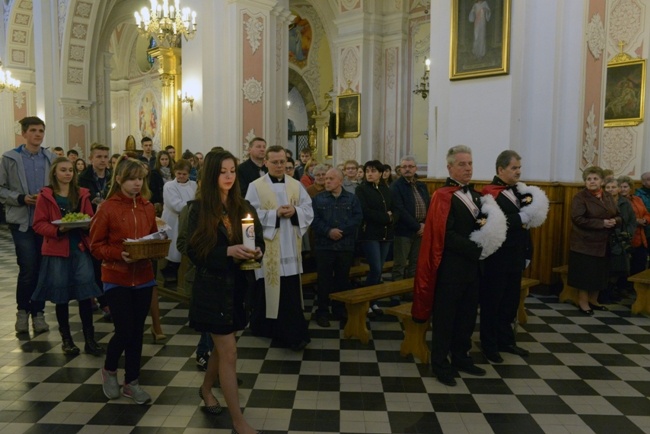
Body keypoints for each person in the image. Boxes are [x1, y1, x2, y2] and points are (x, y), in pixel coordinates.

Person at [412, 145, 507, 386]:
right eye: (462, 164)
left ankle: (461, 357)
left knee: (466, 317)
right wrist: (476, 248)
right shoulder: (443, 196)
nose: (467, 168)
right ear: (450, 167)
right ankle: (440, 363)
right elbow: (445, 234)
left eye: (470, 164)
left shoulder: (476, 197)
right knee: (445, 318)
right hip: (451, 269)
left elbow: (482, 225)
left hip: (474, 269)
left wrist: (489, 238)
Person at [184, 150, 264, 433]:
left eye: (232, 171)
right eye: (222, 172)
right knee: (229, 353)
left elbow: (259, 240)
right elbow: (193, 251)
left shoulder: (244, 207)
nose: (229, 176)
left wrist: (255, 252)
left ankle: (206, 389)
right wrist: (228, 251)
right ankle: (238, 420)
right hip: (213, 289)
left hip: (238, 289)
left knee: (222, 348)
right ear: (210, 175)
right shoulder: (198, 209)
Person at [90, 157, 158, 404]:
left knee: (137, 332)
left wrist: (155, 246)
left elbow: (151, 238)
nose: (137, 183)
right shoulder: (107, 208)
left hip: (143, 278)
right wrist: (120, 255)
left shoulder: (147, 206)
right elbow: (95, 246)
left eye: (140, 178)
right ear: (118, 179)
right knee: (125, 330)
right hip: (116, 278)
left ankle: (132, 382)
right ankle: (109, 370)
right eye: (131, 178)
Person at [480, 151, 549, 363]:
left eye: (519, 167)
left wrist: (528, 252)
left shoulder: (519, 191)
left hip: (516, 254)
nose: (518, 171)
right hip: (498, 256)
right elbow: (495, 222)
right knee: (493, 302)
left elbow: (527, 225)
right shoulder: (490, 194)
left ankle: (506, 341)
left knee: (510, 302)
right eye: (514, 168)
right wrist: (520, 218)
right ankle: (489, 346)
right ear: (501, 170)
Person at [32, 157, 104, 356]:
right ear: (55, 172)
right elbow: (38, 224)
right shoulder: (46, 196)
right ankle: (67, 340)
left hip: (79, 248)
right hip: (56, 250)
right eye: (63, 170)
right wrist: (59, 230)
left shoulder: (81, 194)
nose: (67, 173)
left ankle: (90, 339)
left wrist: (87, 224)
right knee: (61, 297)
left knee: (85, 295)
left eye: (70, 170)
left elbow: (91, 219)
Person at [246, 145, 313, 351]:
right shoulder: (255, 186)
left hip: (290, 247)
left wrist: (294, 211)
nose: (279, 166)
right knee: (269, 287)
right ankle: (267, 327)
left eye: (282, 162)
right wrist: (275, 214)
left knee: (289, 290)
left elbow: (308, 209)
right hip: (268, 247)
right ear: (265, 162)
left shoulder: (295, 185)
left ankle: (290, 331)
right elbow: (249, 215)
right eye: (274, 162)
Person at [0, 116, 53, 333]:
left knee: (42, 269)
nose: (38, 134)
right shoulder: (10, 158)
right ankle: (23, 312)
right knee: (28, 267)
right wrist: (22, 198)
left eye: (41, 130)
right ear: (24, 133)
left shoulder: (50, 158)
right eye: (33, 130)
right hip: (22, 222)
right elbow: (1, 188)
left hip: (45, 222)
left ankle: (38, 313)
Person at [311, 168, 362, 327]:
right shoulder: (318, 199)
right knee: (324, 280)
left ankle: (339, 309)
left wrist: (342, 232)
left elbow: (357, 218)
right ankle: (323, 311)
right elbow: (314, 220)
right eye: (326, 178)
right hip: (324, 246)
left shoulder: (352, 199)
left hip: (345, 246)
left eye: (331, 179)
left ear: (340, 181)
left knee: (342, 279)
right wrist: (328, 231)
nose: (327, 181)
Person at [567, 166, 620, 315]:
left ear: (602, 181)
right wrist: (601, 223)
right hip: (585, 243)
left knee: (600, 273)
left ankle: (593, 300)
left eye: (595, 178)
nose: (592, 181)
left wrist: (615, 221)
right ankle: (583, 303)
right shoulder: (580, 197)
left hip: (604, 243)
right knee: (585, 275)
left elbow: (618, 215)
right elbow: (577, 219)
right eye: (588, 179)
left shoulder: (608, 197)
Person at [356, 160, 397, 316]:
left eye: (373, 171)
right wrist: (386, 218)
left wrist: (393, 217)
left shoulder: (386, 189)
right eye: (367, 171)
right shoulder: (361, 189)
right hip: (370, 234)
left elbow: (395, 208)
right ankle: (366, 301)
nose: (369, 174)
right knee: (376, 268)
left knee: (378, 270)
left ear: (380, 173)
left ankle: (373, 301)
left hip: (386, 234)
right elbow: (365, 212)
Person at [78, 142, 112, 321]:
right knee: (93, 265)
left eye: (105, 157)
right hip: (89, 225)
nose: (103, 160)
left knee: (104, 263)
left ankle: (104, 298)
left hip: (108, 223)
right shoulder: (83, 178)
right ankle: (101, 300)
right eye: (98, 157)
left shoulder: (112, 176)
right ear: (91, 159)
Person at [390, 156, 430, 285]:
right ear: (400, 169)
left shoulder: (421, 185)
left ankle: (410, 293)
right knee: (400, 265)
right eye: (404, 167)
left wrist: (424, 224)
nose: (407, 169)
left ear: (415, 168)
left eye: (410, 166)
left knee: (415, 264)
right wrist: (417, 227)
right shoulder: (396, 186)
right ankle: (395, 295)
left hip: (420, 231)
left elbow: (428, 205)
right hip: (404, 231)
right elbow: (399, 209)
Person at [160, 159, 197, 281]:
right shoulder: (169, 186)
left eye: (184, 174)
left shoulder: (193, 185)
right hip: (173, 221)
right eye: (179, 173)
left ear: (189, 174)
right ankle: (169, 273)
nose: (181, 176)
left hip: (189, 220)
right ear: (175, 172)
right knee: (173, 250)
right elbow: (176, 205)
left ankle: (181, 275)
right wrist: (194, 208)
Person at [603, 177, 636, 303]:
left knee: (619, 268)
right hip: (607, 240)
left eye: (613, 187)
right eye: (608, 187)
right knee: (607, 269)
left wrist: (627, 235)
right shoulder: (602, 201)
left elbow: (631, 221)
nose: (611, 190)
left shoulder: (625, 203)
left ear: (618, 188)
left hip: (621, 240)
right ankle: (604, 293)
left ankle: (611, 291)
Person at [619, 175, 650, 279]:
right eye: (621, 186)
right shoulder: (617, 201)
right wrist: (636, 221)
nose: (623, 189)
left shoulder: (637, 199)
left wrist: (645, 220)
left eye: (625, 187)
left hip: (641, 236)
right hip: (626, 237)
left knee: (640, 264)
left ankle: (635, 290)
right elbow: (620, 217)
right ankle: (624, 289)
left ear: (630, 188)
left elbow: (646, 213)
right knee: (625, 267)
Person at [148, 150, 174, 217]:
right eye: (162, 159)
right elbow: (153, 189)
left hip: (172, 198)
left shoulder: (173, 172)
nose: (164, 161)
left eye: (166, 159)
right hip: (160, 201)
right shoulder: (154, 173)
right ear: (158, 160)